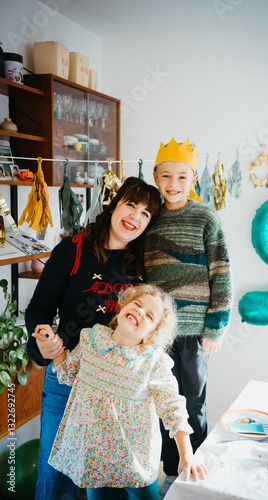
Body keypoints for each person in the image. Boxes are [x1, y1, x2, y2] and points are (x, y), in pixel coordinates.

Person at [25, 177, 161, 500]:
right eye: (131, 205)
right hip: (66, 377)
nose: (135, 217)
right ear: (115, 204)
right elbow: (39, 309)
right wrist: (42, 341)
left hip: (118, 388)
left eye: (145, 214)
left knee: (100, 485)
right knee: (56, 478)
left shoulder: (142, 264)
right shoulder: (72, 250)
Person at [32, 284, 208, 500]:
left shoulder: (154, 361)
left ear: (152, 334)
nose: (140, 311)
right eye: (137, 304)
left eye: (150, 316)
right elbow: (69, 374)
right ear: (122, 306)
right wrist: (53, 346)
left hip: (137, 459)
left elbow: (172, 407)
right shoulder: (90, 340)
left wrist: (186, 454)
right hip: (95, 458)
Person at [144, 138, 233, 496]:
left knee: (193, 400)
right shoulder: (149, 218)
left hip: (196, 332)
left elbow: (222, 272)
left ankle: (193, 466)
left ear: (193, 180)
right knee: (161, 401)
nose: (173, 183)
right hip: (157, 332)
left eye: (182, 176)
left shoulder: (206, 218)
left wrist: (216, 326)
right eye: (166, 176)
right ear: (155, 176)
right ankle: (169, 471)